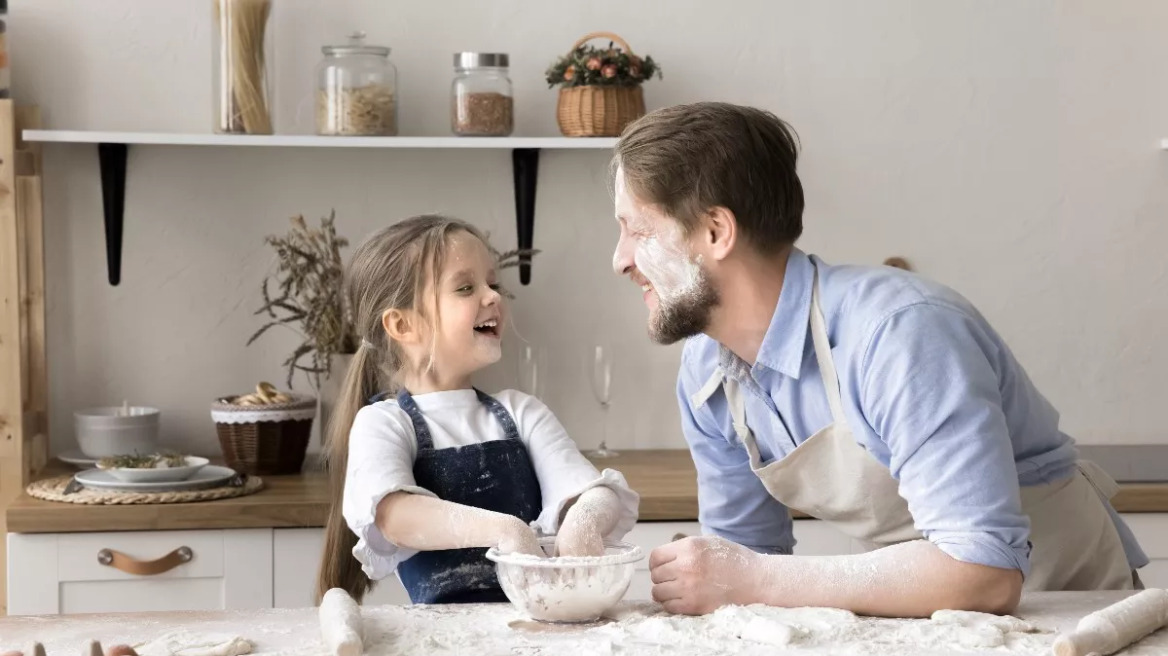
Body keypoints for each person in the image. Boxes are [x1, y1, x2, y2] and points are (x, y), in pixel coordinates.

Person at [609, 102, 1147, 618]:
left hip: (1064, 609)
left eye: (638, 230)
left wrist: (753, 578)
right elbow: (742, 562)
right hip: (919, 618)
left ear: (716, 232)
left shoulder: (901, 333)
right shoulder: (708, 370)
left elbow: (985, 571)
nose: (620, 260)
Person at [317, 214, 639, 605]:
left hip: (536, 629)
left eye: (493, 283)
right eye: (466, 287)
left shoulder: (521, 413)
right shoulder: (384, 423)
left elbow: (594, 492)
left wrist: (583, 521)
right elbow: (393, 515)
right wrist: (505, 530)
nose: (492, 296)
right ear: (403, 326)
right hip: (444, 640)